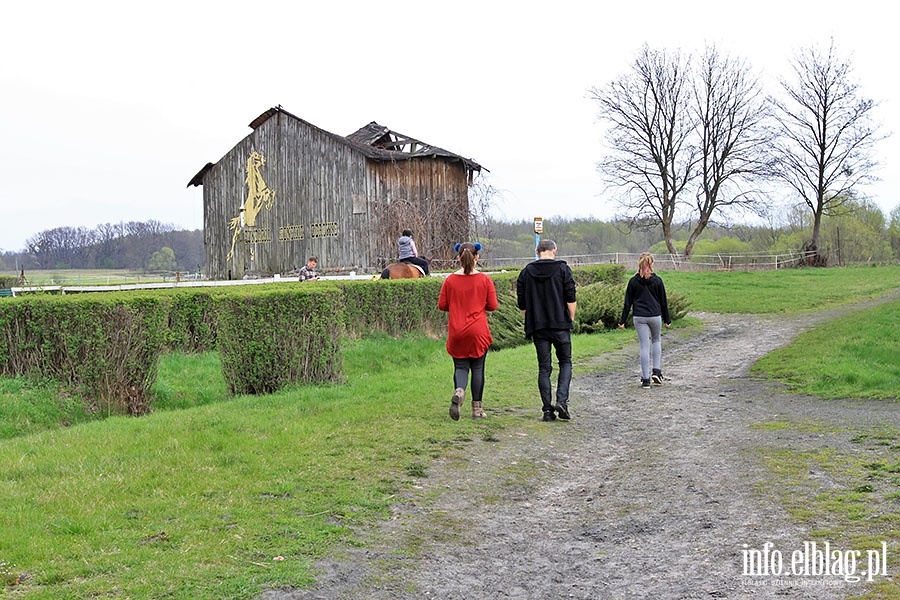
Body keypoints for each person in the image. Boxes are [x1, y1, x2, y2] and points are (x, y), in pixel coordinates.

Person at [516, 239, 577, 422]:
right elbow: (571, 296)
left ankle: (547, 411)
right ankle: (561, 400)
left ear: (537, 251)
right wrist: (570, 318)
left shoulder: (526, 272)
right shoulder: (563, 269)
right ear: (554, 250)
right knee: (565, 362)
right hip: (560, 324)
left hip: (538, 326)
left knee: (544, 368)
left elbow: (522, 304)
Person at [438, 242, 498, 420]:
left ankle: (459, 390)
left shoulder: (449, 280)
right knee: (478, 369)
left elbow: (442, 305)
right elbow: (493, 306)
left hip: (457, 330)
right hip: (478, 331)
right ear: (477, 257)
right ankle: (477, 410)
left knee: (461, 367)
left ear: (458, 258)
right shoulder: (485, 280)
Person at [618, 252, 671, 388]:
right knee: (656, 340)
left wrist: (622, 320)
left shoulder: (633, 281)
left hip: (639, 317)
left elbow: (627, 303)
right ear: (651, 264)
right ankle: (657, 371)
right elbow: (663, 302)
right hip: (655, 316)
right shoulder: (658, 281)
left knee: (644, 346)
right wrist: (667, 319)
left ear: (639, 263)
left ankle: (646, 379)